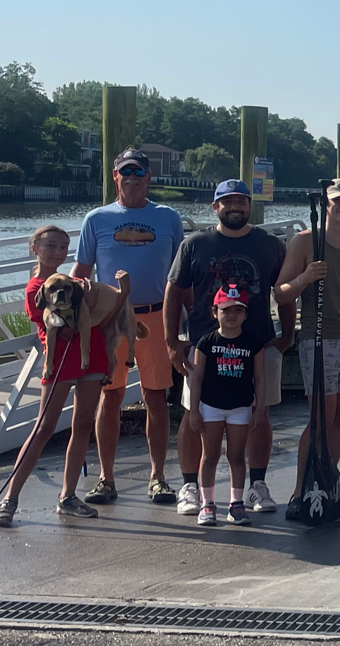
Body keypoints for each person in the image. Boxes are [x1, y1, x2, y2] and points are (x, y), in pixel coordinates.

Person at [166, 179, 292, 516]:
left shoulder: (270, 244)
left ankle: (256, 485)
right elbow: (174, 290)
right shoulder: (195, 244)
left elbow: (284, 290)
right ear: (215, 207)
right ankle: (190, 486)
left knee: (260, 415)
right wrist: (171, 341)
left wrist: (287, 335)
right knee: (192, 415)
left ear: (250, 206)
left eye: (241, 202)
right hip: (204, 346)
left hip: (258, 344)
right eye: (227, 202)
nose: (235, 207)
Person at [74, 148, 185, 506]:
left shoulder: (168, 217)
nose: (132, 178)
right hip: (110, 318)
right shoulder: (96, 219)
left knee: (156, 397)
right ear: (115, 176)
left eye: (139, 172)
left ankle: (158, 477)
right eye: (126, 171)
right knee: (110, 397)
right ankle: (106, 479)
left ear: (149, 177)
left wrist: (188, 321)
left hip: (156, 315)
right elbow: (80, 275)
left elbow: (182, 275)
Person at [273, 178, 340, 520]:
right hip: (318, 339)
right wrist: (305, 277)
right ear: (326, 205)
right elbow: (280, 293)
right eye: (337, 201)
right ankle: (300, 490)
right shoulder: (305, 242)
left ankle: (328, 485)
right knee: (320, 419)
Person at [0, 227, 112, 527]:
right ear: (35, 248)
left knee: (83, 425)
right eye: (51, 246)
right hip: (60, 364)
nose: (58, 252)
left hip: (91, 358)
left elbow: (101, 313)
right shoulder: (38, 288)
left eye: (63, 247)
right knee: (44, 427)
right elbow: (61, 327)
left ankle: (68, 495)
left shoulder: (76, 284)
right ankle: (10, 498)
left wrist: (97, 297)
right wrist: (86, 301)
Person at [186, 285, 266, 527]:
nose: (231, 315)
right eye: (226, 310)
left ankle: (236, 503)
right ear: (215, 313)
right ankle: (207, 503)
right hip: (211, 406)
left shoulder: (254, 344)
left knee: (236, 456)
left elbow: (260, 378)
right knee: (210, 455)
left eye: (238, 310)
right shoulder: (206, 343)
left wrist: (260, 409)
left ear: (245, 314)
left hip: (240, 407)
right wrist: (194, 410)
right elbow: (197, 378)